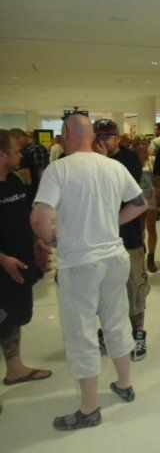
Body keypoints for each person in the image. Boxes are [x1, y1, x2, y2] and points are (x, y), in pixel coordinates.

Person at [30, 113, 147, 430]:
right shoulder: (113, 166)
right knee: (116, 321)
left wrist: (51, 239)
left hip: (80, 263)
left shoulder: (59, 169)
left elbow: (40, 217)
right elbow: (140, 203)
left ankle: (89, 408)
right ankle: (124, 384)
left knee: (81, 333)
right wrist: (110, 223)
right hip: (114, 259)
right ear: (92, 135)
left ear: (66, 134)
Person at [93, 120, 150, 361]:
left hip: (129, 237)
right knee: (104, 292)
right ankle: (110, 333)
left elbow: (122, 192)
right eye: (98, 136)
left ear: (117, 138)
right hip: (100, 240)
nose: (102, 141)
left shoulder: (128, 159)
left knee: (134, 288)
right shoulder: (89, 160)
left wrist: (104, 160)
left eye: (107, 137)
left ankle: (138, 333)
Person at [0, 129, 52, 388]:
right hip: (4, 266)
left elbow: (22, 219)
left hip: (19, 266)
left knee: (13, 319)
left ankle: (15, 368)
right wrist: (2, 259)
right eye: (16, 150)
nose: (21, 155)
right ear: (1, 154)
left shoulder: (15, 180)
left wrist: (36, 243)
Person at [132, 136, 160, 273]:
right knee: (139, 229)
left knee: (151, 228)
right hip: (136, 198)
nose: (142, 146)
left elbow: (156, 179)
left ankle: (151, 257)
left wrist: (157, 195)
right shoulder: (132, 161)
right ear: (135, 145)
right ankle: (140, 252)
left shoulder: (152, 160)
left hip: (151, 197)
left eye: (144, 143)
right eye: (139, 143)